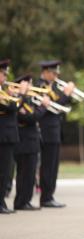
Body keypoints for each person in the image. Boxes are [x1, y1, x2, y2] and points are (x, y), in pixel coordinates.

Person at [34, 60, 74, 208]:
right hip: (46, 131)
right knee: (47, 166)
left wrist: (67, 95)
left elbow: (61, 104)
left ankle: (49, 195)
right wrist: (66, 94)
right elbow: (53, 106)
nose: (56, 75)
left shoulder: (54, 86)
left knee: (53, 166)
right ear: (45, 72)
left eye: (57, 73)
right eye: (53, 73)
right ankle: (46, 197)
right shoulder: (39, 87)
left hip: (55, 130)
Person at [13, 74, 50, 210]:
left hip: (31, 142)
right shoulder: (19, 101)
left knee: (30, 174)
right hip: (24, 143)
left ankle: (26, 200)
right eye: (28, 84)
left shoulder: (29, 100)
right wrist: (43, 107)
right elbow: (31, 118)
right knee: (23, 174)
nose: (31, 87)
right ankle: (20, 201)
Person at [0, 59, 19, 214]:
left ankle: (2, 203)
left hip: (8, 137)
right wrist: (13, 97)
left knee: (6, 172)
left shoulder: (4, 91)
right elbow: (11, 107)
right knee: (2, 172)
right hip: (2, 137)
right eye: (3, 73)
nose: (6, 77)